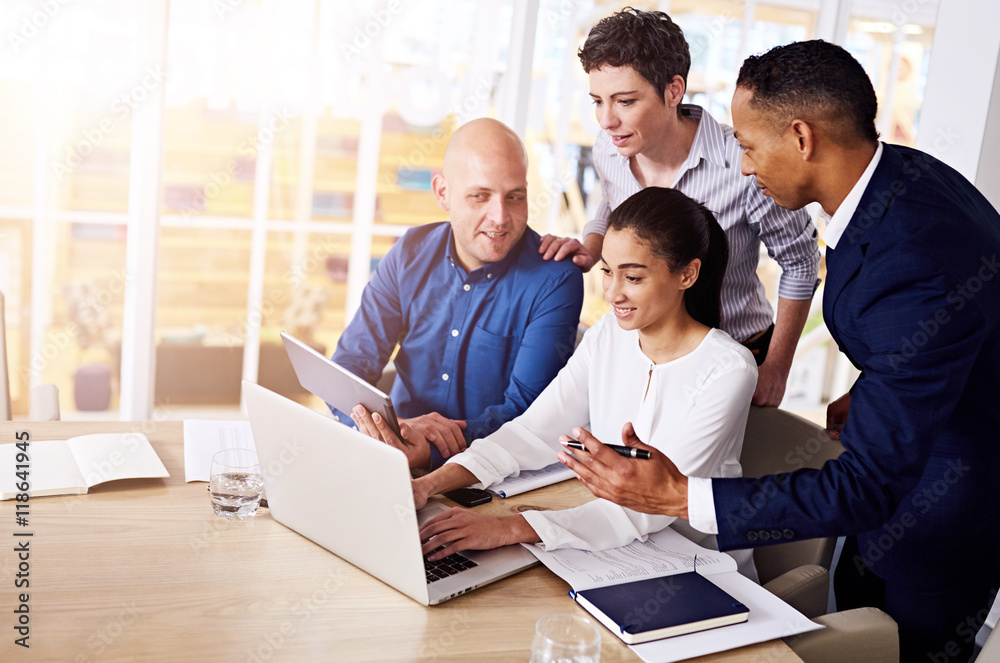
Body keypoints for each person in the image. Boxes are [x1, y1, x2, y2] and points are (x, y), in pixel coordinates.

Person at [560, 40, 1000, 662]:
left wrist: (679, 495)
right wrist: (882, 389)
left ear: (802, 137)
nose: (742, 167)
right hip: (915, 457)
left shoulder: (914, 258)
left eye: (746, 145)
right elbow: (957, 327)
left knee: (897, 650)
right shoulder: (897, 179)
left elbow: (868, 485)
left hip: (942, 512)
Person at [356, 187, 758, 579]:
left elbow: (653, 503)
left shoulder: (729, 370)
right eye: (606, 272)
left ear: (687, 273)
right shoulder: (609, 335)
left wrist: (510, 528)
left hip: (697, 569)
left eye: (633, 278)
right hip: (605, 549)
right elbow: (535, 431)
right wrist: (429, 485)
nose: (613, 293)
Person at [538, 7, 820, 407]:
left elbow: (801, 261)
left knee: (707, 471)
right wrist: (593, 245)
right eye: (597, 101)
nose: (606, 119)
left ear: (673, 90)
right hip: (648, 350)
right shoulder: (610, 148)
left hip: (737, 352)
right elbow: (610, 202)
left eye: (625, 101)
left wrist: (777, 367)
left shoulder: (743, 162)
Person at [333, 118, 584, 470]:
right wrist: (388, 432)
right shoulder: (410, 253)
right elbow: (350, 367)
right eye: (479, 196)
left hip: (492, 471)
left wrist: (426, 448)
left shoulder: (556, 279)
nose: (499, 217)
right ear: (443, 193)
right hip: (392, 451)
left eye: (515, 197)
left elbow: (527, 412)